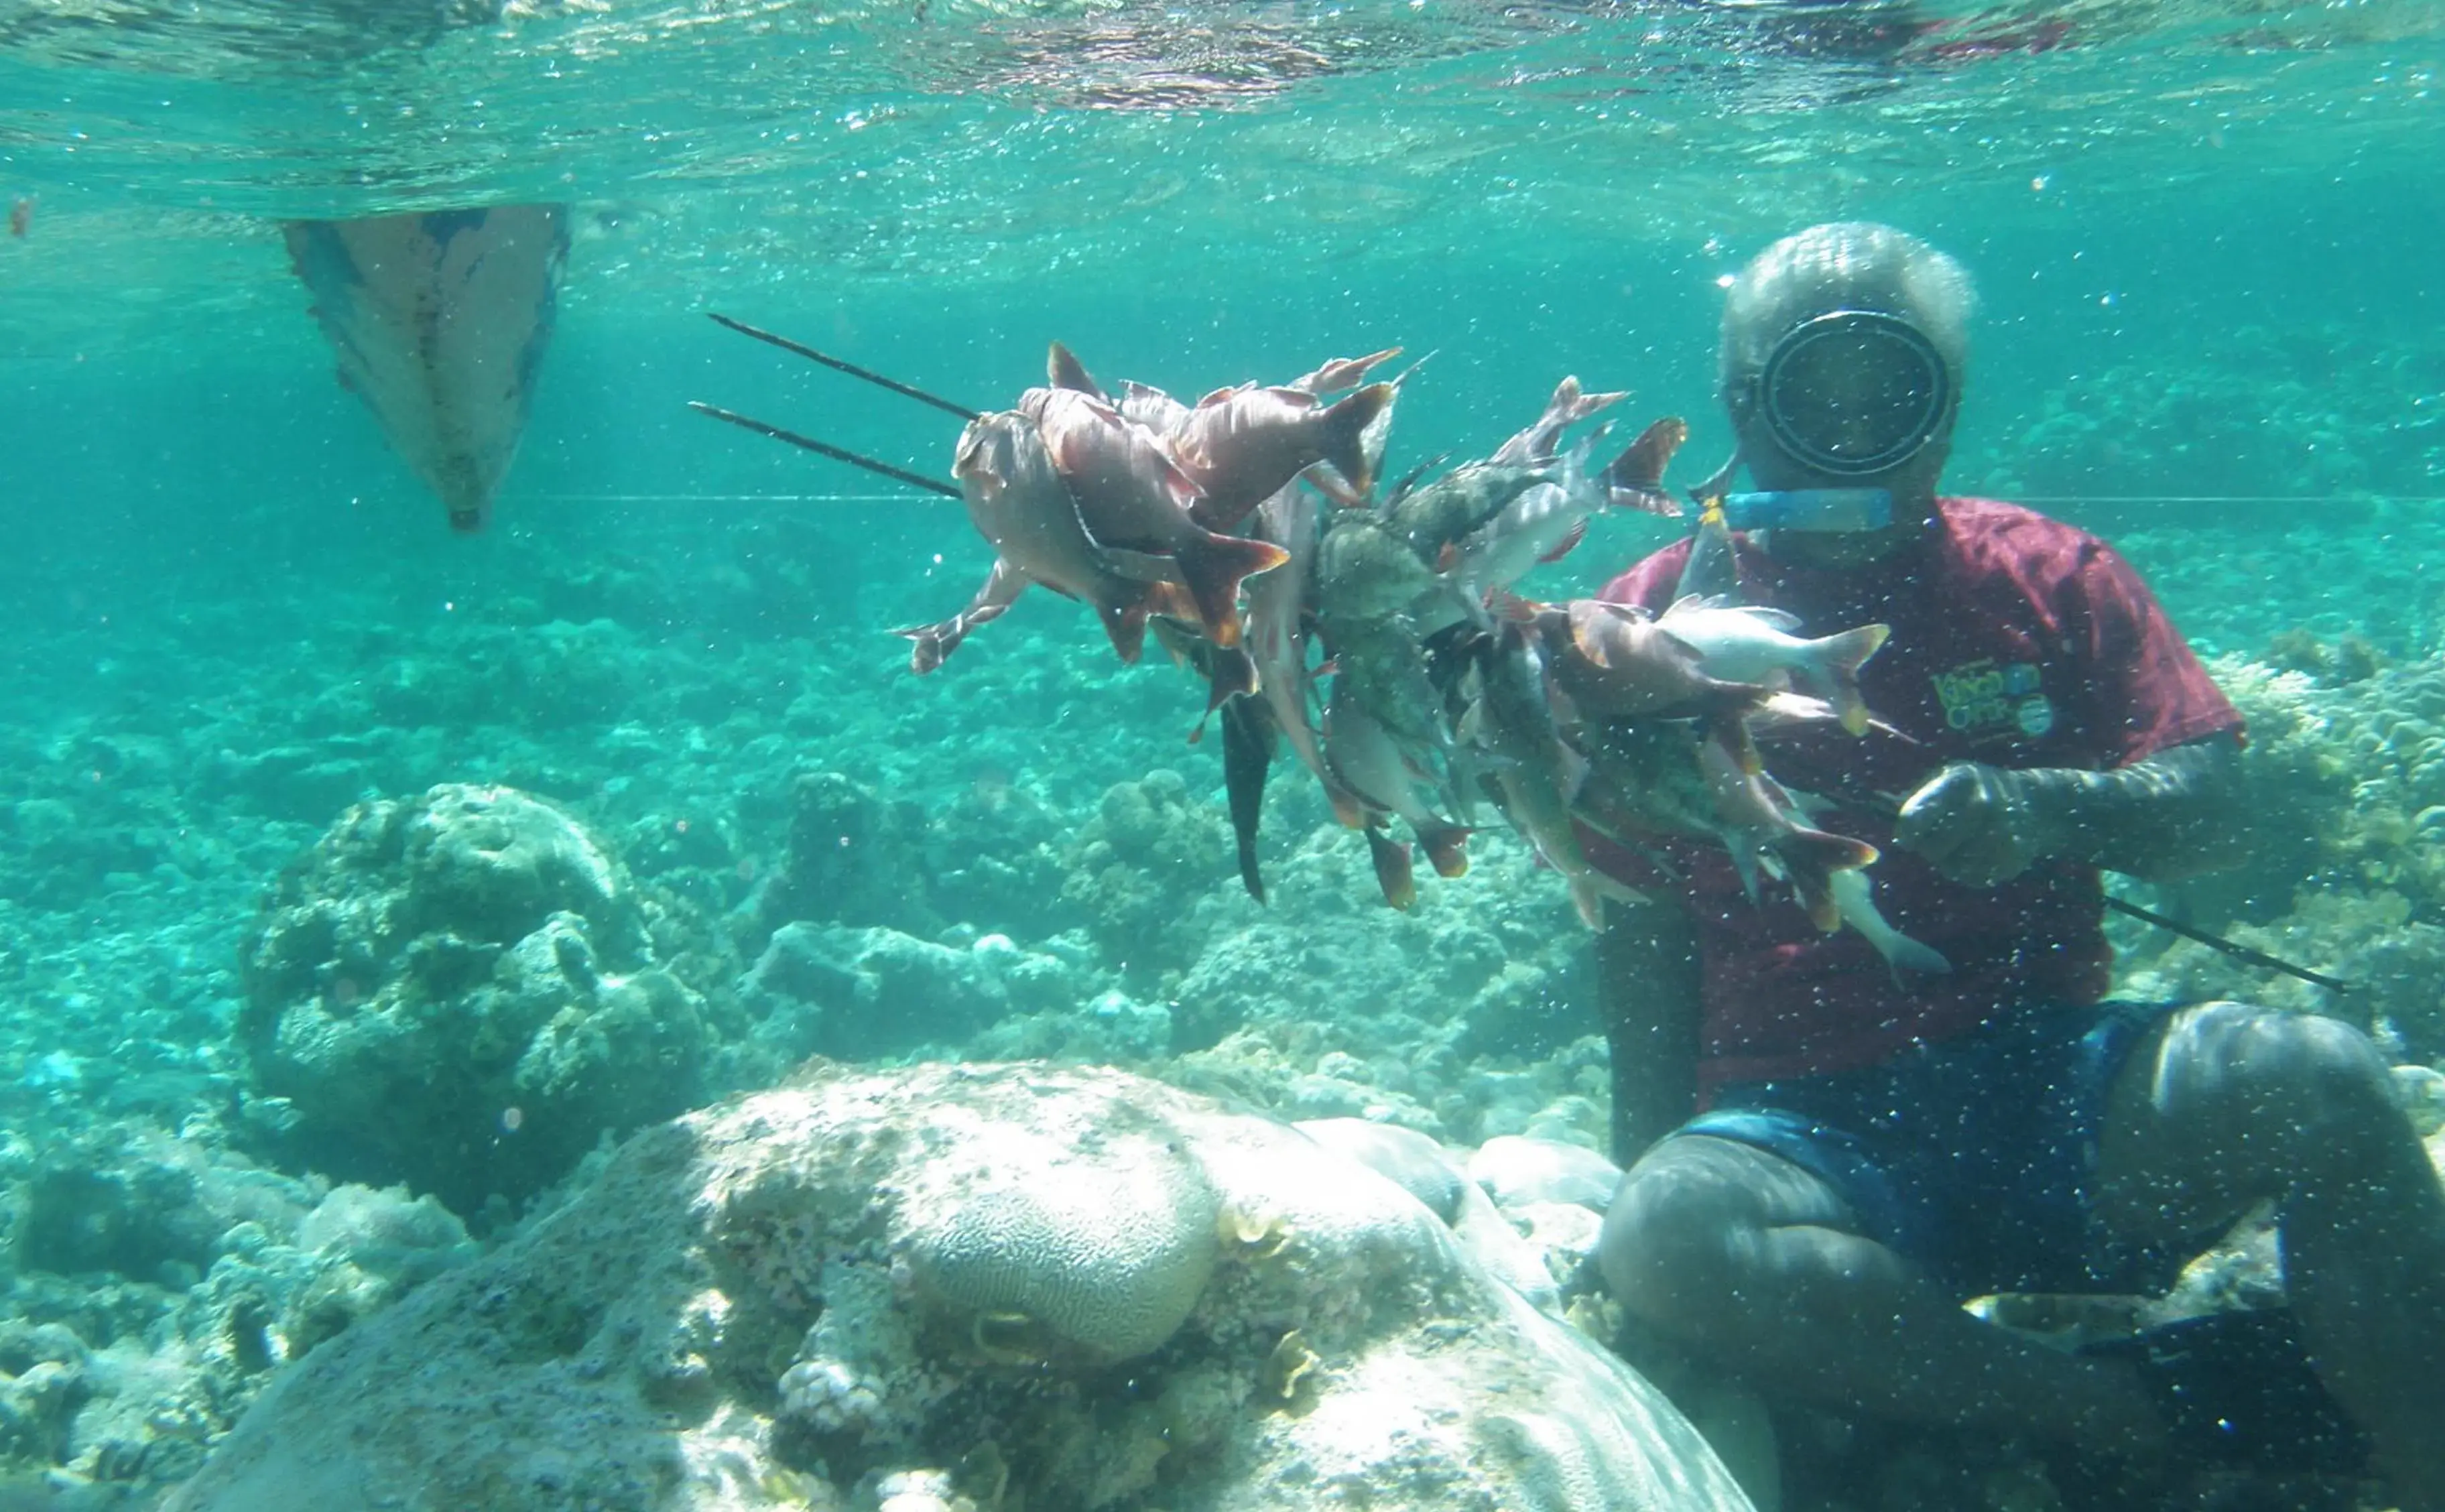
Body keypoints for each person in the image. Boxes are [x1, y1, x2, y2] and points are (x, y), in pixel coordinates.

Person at [1584, 221, 2445, 1509]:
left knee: (2317, 1076)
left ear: (1951, 405)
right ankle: (2142, 1408)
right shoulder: (1637, 637)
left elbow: (2218, 816)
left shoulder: (2050, 576)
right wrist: (1645, 1227)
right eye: (1812, 391)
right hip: (1795, 1131)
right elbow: (1637, 927)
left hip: (2057, 1087)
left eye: (1895, 389)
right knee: (1667, 1234)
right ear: (1739, 404)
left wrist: (2059, 808)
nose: (1854, 427)